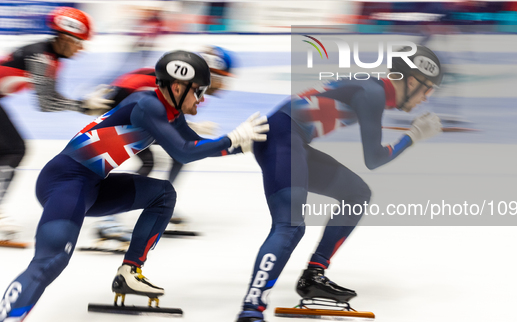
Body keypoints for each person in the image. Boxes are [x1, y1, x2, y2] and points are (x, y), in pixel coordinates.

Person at [0, 50, 268, 321]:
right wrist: (232, 138)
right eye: (198, 91)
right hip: (65, 183)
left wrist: (245, 144)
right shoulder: (146, 104)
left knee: (162, 195)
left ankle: (130, 272)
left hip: (92, 185)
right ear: (177, 87)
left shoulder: (170, 114)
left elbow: (196, 145)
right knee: (50, 262)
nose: (202, 98)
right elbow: (184, 152)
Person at [236, 45, 444, 322]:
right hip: (283, 139)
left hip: (287, 139)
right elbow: (374, 159)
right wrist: (412, 136)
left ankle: (314, 274)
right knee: (290, 227)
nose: (426, 98)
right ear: (412, 80)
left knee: (356, 193)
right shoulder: (373, 94)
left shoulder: (372, 90)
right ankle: (252, 306)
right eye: (428, 89)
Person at [90, 45, 236, 241]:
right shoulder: (182, 85)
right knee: (149, 162)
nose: (224, 86)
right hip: (122, 112)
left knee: (178, 156)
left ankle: (161, 201)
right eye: (223, 78)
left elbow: (167, 115)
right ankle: (108, 220)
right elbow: (153, 109)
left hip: (131, 110)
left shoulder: (191, 86)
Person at [0, 6, 109, 239]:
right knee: (13, 149)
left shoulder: (49, 58)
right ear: (64, 38)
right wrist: (82, 106)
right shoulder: (41, 57)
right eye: (79, 42)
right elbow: (46, 103)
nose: (81, 49)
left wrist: (83, 105)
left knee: (10, 150)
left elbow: (50, 98)